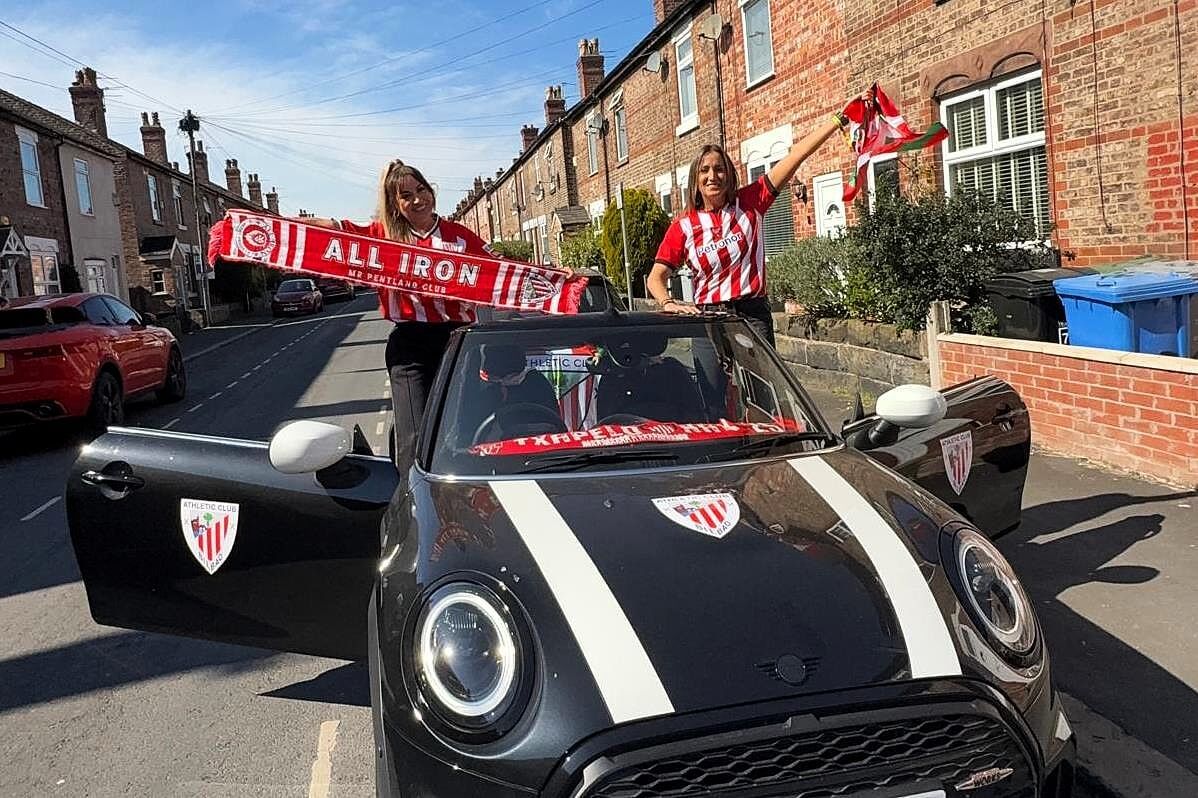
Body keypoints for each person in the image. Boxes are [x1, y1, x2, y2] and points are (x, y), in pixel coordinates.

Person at [297, 159, 492, 473]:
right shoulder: (382, 237)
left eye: (421, 189)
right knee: (415, 439)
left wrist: (559, 281)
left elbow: (508, 273)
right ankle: (414, 505)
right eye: (405, 195)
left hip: (460, 343)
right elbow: (335, 230)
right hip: (411, 348)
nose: (418, 199)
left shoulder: (460, 236)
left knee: (463, 429)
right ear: (394, 204)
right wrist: (276, 223)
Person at [648, 92, 871, 347]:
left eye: (719, 169)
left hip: (751, 315)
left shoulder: (751, 201)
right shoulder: (683, 226)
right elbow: (655, 277)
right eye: (705, 170)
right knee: (711, 388)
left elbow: (796, 155)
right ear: (695, 181)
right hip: (707, 318)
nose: (713, 176)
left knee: (761, 388)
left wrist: (839, 119)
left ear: (730, 175)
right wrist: (669, 303)